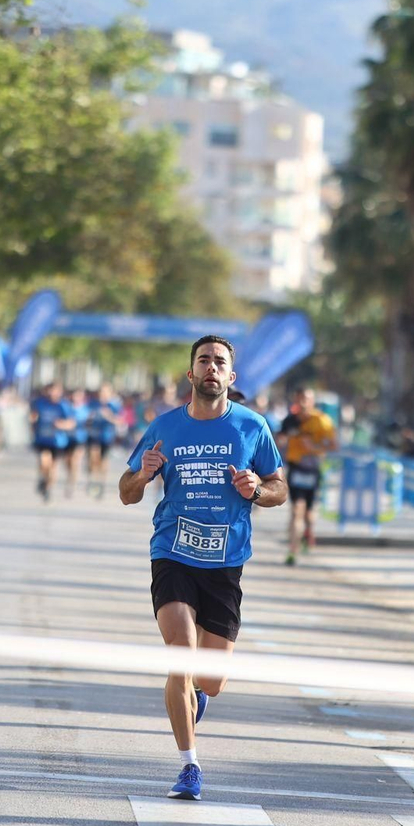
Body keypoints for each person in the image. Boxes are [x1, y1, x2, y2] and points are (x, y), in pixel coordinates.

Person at [119, 336, 286, 801]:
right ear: (190, 374)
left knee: (209, 677)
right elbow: (126, 491)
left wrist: (257, 489)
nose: (211, 368)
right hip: (172, 552)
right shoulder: (164, 428)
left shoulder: (252, 427)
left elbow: (279, 488)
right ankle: (189, 766)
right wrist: (142, 473)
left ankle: (199, 694)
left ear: (231, 378)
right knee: (182, 654)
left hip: (225, 563)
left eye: (220, 363)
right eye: (203, 361)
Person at [277, 388, 339, 566]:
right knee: (296, 510)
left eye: (306, 399)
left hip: (313, 469)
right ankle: (292, 551)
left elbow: (334, 446)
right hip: (296, 468)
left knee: (309, 514)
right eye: (300, 398)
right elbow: (278, 440)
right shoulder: (290, 420)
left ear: (312, 401)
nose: (303, 402)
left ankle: (308, 532)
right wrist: (283, 439)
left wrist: (314, 447)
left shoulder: (322, 421)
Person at [29, 382, 74, 501]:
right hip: (42, 439)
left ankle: (48, 488)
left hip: (58, 441)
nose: (53, 393)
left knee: (53, 468)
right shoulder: (40, 403)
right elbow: (33, 416)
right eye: (51, 390)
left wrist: (61, 424)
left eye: (56, 391)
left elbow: (71, 423)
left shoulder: (64, 405)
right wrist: (33, 421)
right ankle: (43, 479)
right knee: (44, 461)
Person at [86, 382, 123, 498]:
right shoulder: (92, 404)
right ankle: (93, 478)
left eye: (106, 392)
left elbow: (119, 421)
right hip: (93, 435)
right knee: (93, 456)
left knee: (103, 460)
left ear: (110, 394)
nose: (103, 395)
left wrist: (108, 416)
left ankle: (101, 482)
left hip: (106, 436)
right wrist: (88, 420)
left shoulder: (114, 406)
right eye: (101, 392)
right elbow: (85, 418)